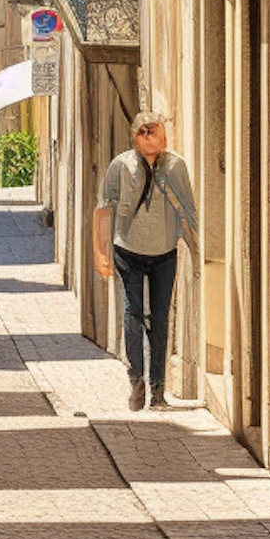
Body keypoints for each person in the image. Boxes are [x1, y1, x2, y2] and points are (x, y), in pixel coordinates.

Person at [95, 111, 198, 412]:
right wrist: (101, 252)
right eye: (151, 133)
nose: (158, 138)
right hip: (128, 250)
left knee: (161, 321)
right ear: (138, 136)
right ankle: (136, 378)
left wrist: (196, 248)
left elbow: (188, 210)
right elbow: (104, 210)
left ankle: (158, 391)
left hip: (165, 251)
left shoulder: (176, 166)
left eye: (160, 133)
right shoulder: (121, 166)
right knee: (133, 313)